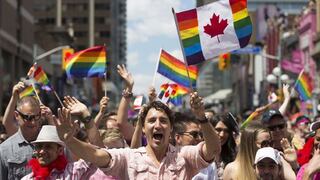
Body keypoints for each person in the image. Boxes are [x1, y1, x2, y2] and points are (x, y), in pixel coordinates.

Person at [54, 91, 221, 179]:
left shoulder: (184, 156)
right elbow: (97, 154)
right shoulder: (130, 158)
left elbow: (213, 150)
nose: (157, 125)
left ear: (171, 129)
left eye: (163, 121)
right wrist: (69, 139)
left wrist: (201, 117)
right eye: (152, 120)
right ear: (142, 129)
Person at [22, 125, 113, 179]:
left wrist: (87, 119)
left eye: (48, 147)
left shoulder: (72, 171)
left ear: (60, 150)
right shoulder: (27, 179)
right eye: (39, 146)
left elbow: (97, 152)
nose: (42, 151)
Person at [0, 96, 42, 179]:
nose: (33, 122)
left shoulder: (53, 143)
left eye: (37, 116)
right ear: (16, 115)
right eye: (28, 118)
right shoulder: (4, 149)